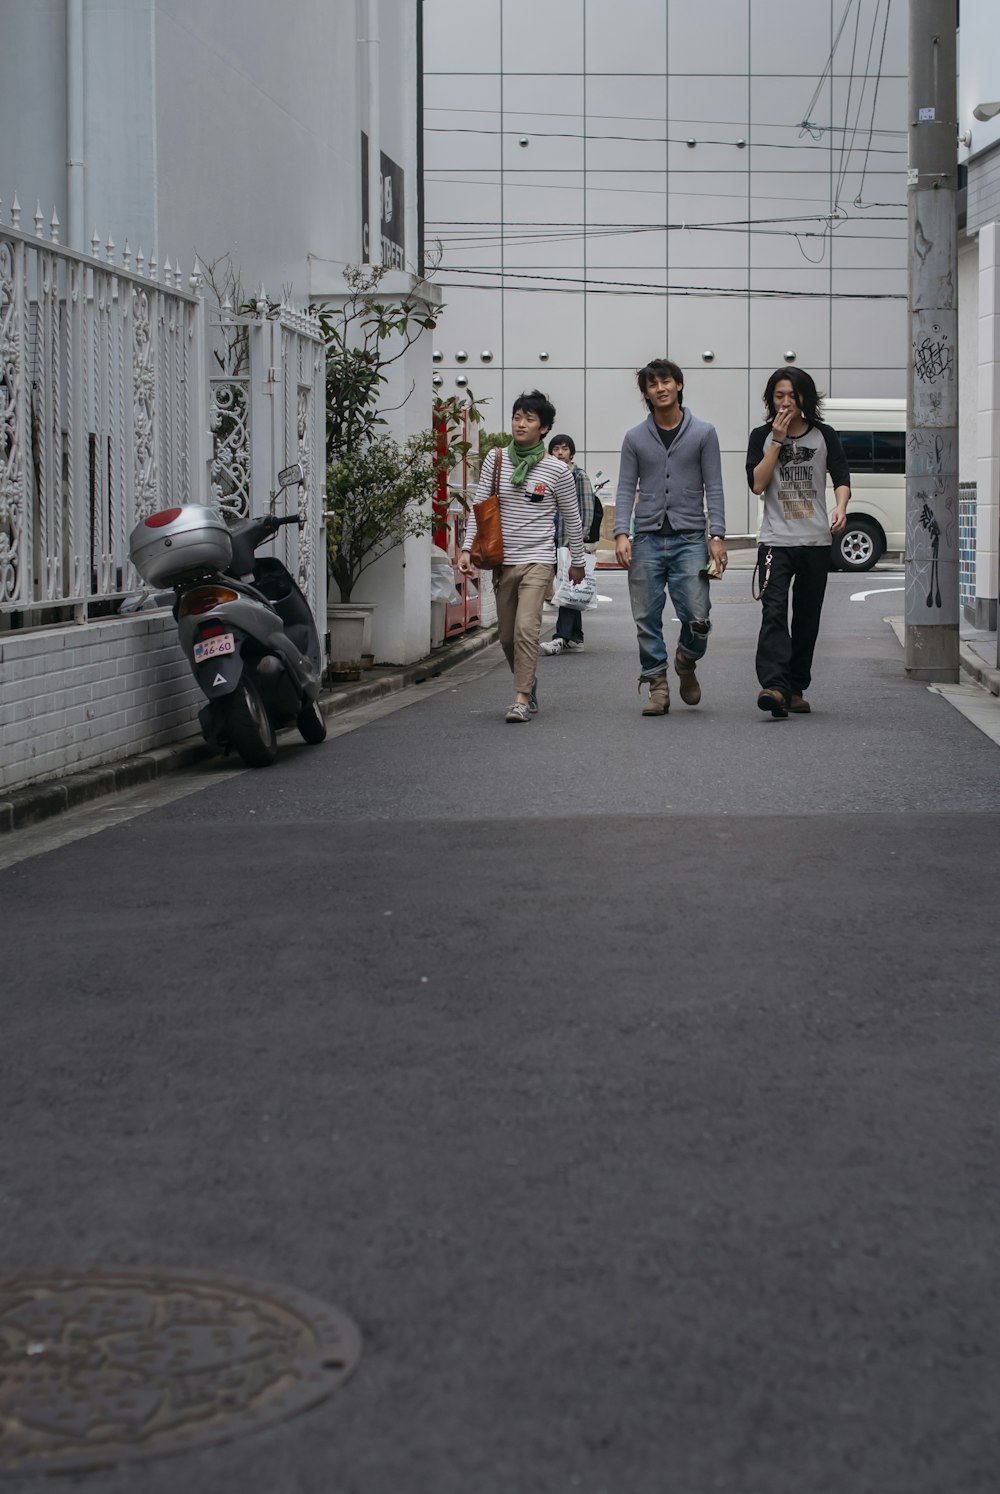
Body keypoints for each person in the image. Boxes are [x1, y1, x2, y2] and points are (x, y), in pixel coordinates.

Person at [459, 392, 585, 723]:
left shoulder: (558, 470)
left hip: (539, 559)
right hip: (504, 561)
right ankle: (528, 682)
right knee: (506, 637)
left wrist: (578, 562)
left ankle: (521, 698)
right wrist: (466, 548)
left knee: (527, 629)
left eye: (529, 419)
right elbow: (480, 508)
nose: (520, 423)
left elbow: (572, 519)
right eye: (517, 417)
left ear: (543, 428)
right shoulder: (496, 460)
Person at [613, 359, 727, 716]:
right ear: (646, 393)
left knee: (698, 614)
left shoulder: (704, 433)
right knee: (646, 616)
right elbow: (624, 488)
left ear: (678, 385)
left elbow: (716, 487)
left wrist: (718, 535)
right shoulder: (634, 437)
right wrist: (620, 533)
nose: (660, 388)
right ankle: (657, 685)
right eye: (652, 384)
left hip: (690, 537)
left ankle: (686, 660)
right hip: (646, 537)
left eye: (666, 381)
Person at [746, 367, 851, 718]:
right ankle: (774, 687)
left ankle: (795, 687)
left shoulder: (824, 435)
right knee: (773, 611)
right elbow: (757, 484)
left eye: (793, 395)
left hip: (816, 542)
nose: (786, 402)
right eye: (779, 396)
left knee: (807, 618)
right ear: (770, 399)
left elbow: (840, 475)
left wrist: (841, 507)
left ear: (805, 398)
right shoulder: (761, 435)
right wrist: (776, 441)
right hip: (776, 541)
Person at [540, 433, 595, 655]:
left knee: (565, 587)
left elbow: (587, 508)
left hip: (568, 541)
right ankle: (576, 637)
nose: (560, 452)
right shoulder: (547, 475)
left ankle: (561, 637)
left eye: (564, 448)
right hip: (550, 540)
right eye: (556, 449)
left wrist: (578, 542)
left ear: (571, 453)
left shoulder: (578, 476)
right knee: (570, 588)